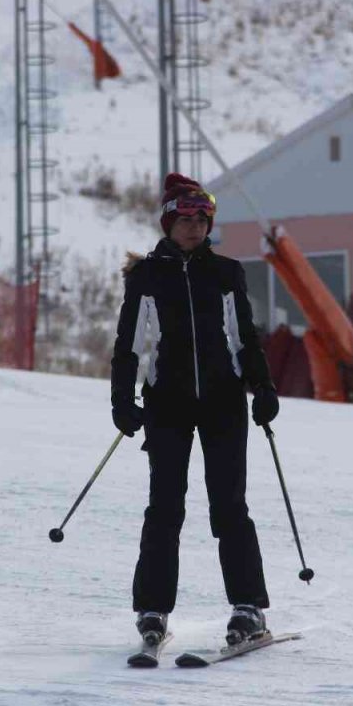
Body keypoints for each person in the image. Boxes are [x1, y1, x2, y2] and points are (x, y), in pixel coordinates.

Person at [111, 173, 281, 646]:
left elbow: (244, 336)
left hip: (224, 403)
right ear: (168, 222)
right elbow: (129, 344)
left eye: (202, 220)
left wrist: (262, 386)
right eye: (185, 220)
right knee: (165, 508)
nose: (194, 228)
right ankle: (152, 610)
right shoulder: (146, 276)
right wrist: (122, 399)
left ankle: (248, 608)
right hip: (168, 405)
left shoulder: (226, 272)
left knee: (230, 507)